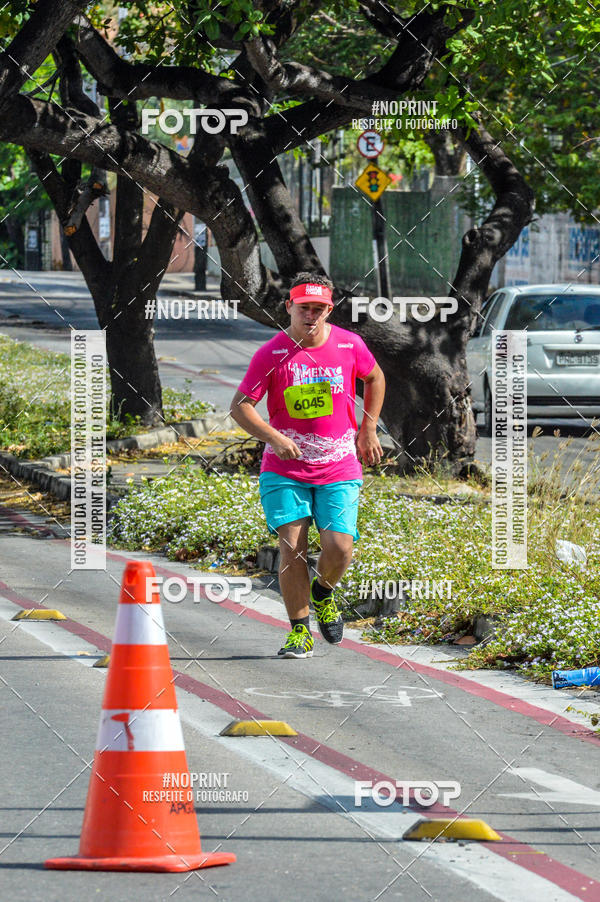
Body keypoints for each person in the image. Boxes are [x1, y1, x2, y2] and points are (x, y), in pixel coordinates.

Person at [230, 272, 385, 658]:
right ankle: (299, 631)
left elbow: (375, 377)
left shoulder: (350, 345)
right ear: (289, 307)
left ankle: (323, 593)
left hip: (339, 465)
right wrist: (275, 439)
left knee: (340, 548)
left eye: (319, 309)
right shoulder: (272, 353)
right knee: (292, 548)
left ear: (329, 310)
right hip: (285, 469)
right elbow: (240, 407)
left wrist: (368, 429)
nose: (311, 315)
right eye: (304, 308)